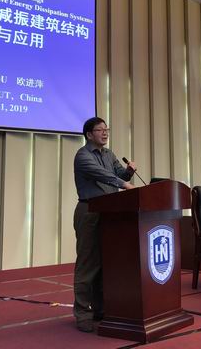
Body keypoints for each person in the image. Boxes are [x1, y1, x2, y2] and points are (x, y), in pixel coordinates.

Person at [73, 117, 136, 333]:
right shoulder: (83, 155)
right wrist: (124, 184)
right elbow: (103, 175)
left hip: (111, 212)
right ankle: (83, 314)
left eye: (106, 129)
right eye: (100, 130)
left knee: (106, 263)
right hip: (89, 211)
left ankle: (101, 309)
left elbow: (118, 173)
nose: (105, 132)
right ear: (89, 134)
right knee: (88, 264)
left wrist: (129, 171)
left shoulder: (109, 154)